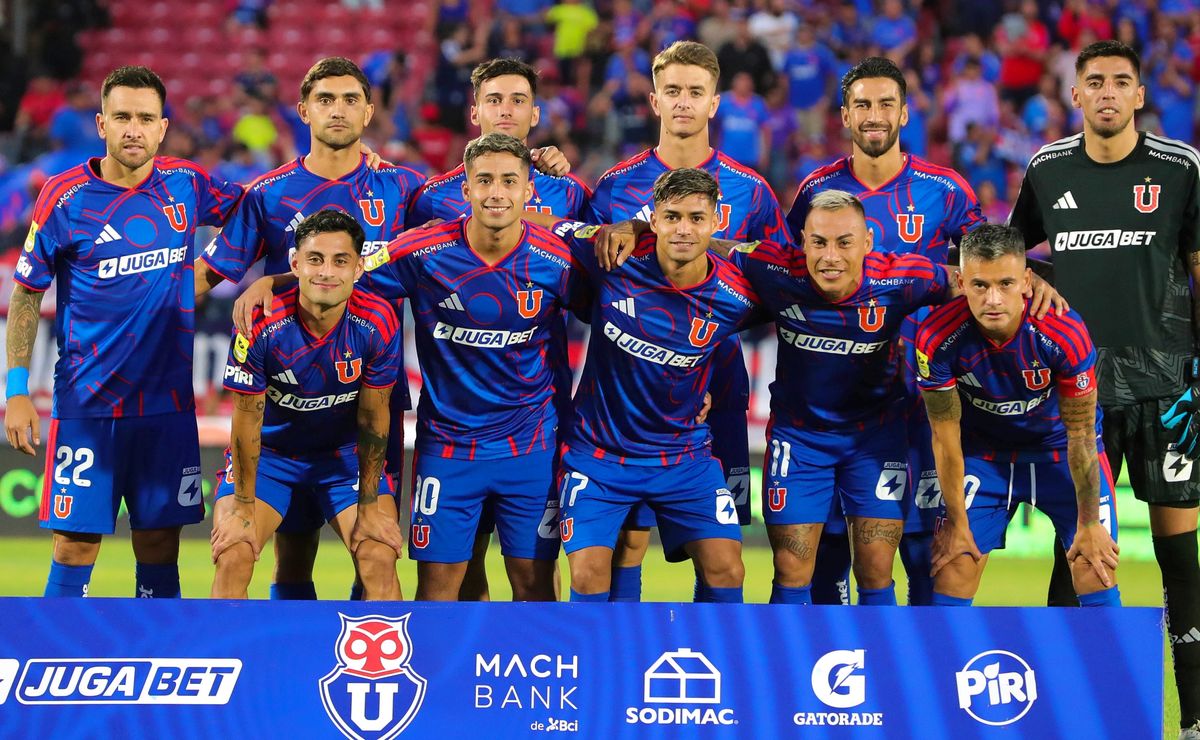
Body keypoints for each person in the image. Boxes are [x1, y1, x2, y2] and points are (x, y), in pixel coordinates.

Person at [1007, 40, 1200, 736]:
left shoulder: (1180, 168)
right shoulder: (1048, 167)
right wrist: (1035, 288)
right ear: (1076, 95)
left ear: (1141, 95)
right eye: (1096, 82)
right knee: (1077, 546)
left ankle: (1194, 721)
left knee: (1181, 554)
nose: (1110, 92)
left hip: (1169, 389)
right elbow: (1006, 257)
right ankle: (1061, 711)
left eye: (1122, 82)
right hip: (1079, 392)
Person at [4, 66, 242, 597]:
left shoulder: (186, 182)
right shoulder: (64, 198)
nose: (134, 128)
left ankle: (154, 658)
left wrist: (222, 279)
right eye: (122, 117)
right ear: (101, 124)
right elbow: (26, 293)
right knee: (74, 543)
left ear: (163, 127)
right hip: (87, 403)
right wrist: (17, 390)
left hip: (166, 403)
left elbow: (255, 212)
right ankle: (56, 662)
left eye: (145, 118)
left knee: (159, 543)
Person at [196, 57, 427, 601]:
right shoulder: (269, 193)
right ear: (303, 110)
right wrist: (125, 305)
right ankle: (267, 671)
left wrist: (542, 170)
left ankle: (363, 670)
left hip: (371, 395)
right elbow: (209, 273)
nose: (339, 110)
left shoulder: (405, 189)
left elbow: (483, 215)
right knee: (290, 551)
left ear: (370, 111)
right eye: (325, 99)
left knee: (373, 545)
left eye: (351, 99)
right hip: (288, 394)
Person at [586, 39, 790, 603]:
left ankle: (714, 671)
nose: (683, 103)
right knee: (626, 538)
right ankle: (625, 655)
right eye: (672, 91)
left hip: (716, 374)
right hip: (632, 379)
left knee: (717, 547)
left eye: (695, 92)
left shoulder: (751, 190)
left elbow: (778, 290)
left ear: (714, 103)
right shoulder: (612, 188)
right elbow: (588, 283)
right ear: (653, 100)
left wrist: (701, 351)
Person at [787, 57, 984, 606]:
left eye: (885, 104)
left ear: (904, 111)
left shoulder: (945, 190)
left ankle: (918, 686)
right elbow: (785, 277)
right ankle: (829, 684)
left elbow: (986, 275)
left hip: (922, 397)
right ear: (845, 115)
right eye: (863, 105)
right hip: (836, 398)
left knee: (924, 550)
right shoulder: (815, 190)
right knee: (828, 554)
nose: (875, 116)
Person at [360, 133, 569, 601]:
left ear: (528, 189)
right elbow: (339, 276)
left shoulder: (558, 257)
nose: (497, 192)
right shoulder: (419, 249)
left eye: (509, 181)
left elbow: (618, 310)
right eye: (485, 181)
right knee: (437, 595)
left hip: (531, 449)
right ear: (466, 188)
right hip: (448, 449)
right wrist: (274, 280)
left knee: (536, 590)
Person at [410, 57, 590, 602]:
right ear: (475, 111)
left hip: (538, 417)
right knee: (458, 576)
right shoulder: (430, 198)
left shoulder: (570, 192)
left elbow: (610, 300)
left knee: (535, 578)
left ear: (535, 114)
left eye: (517, 101)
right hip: (451, 423)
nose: (505, 110)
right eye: (494, 100)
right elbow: (384, 269)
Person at [731, 190, 955, 605]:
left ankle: (879, 663)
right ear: (802, 241)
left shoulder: (903, 277)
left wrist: (1038, 284)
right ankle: (792, 667)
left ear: (868, 241)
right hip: (799, 441)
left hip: (875, 439)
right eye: (818, 242)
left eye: (844, 243)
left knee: (875, 567)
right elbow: (707, 250)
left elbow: (979, 284)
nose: (830, 256)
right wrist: (642, 232)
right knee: (791, 568)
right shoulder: (772, 265)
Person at [556, 167, 760, 603]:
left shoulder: (739, 289)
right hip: (600, 456)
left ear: (716, 220)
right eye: (672, 217)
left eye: (696, 218)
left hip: (684, 456)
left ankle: (717, 666)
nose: (684, 229)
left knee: (727, 567)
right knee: (589, 574)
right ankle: (601, 669)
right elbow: (534, 222)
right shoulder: (613, 256)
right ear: (654, 219)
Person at [916, 224, 1120, 607]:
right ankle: (948, 667)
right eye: (979, 285)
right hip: (985, 456)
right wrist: (958, 523)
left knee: (1096, 565)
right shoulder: (937, 338)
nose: (993, 298)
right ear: (960, 281)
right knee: (953, 566)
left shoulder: (1064, 332)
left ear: (1028, 280)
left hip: (1059, 452)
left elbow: (1081, 435)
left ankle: (1106, 667)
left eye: (1006, 284)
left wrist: (1090, 524)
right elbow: (944, 437)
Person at [210, 210, 403, 600]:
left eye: (340, 261)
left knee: (378, 555)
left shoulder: (378, 321)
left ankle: (382, 662)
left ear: (359, 267)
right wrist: (244, 507)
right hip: (271, 458)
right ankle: (231, 660)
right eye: (315, 259)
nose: (326, 272)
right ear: (295, 263)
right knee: (234, 553)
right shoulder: (259, 321)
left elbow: (373, 417)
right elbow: (246, 421)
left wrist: (368, 504)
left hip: (342, 458)